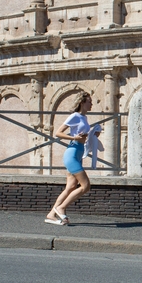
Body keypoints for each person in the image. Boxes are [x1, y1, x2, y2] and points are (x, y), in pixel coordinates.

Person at [45, 91, 93, 226]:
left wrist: (93, 135)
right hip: (71, 153)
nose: (91, 104)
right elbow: (58, 132)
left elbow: (81, 135)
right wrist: (74, 138)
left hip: (78, 153)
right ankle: (61, 208)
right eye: (89, 101)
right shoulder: (75, 116)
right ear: (82, 102)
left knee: (71, 186)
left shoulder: (84, 118)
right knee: (86, 186)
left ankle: (51, 214)